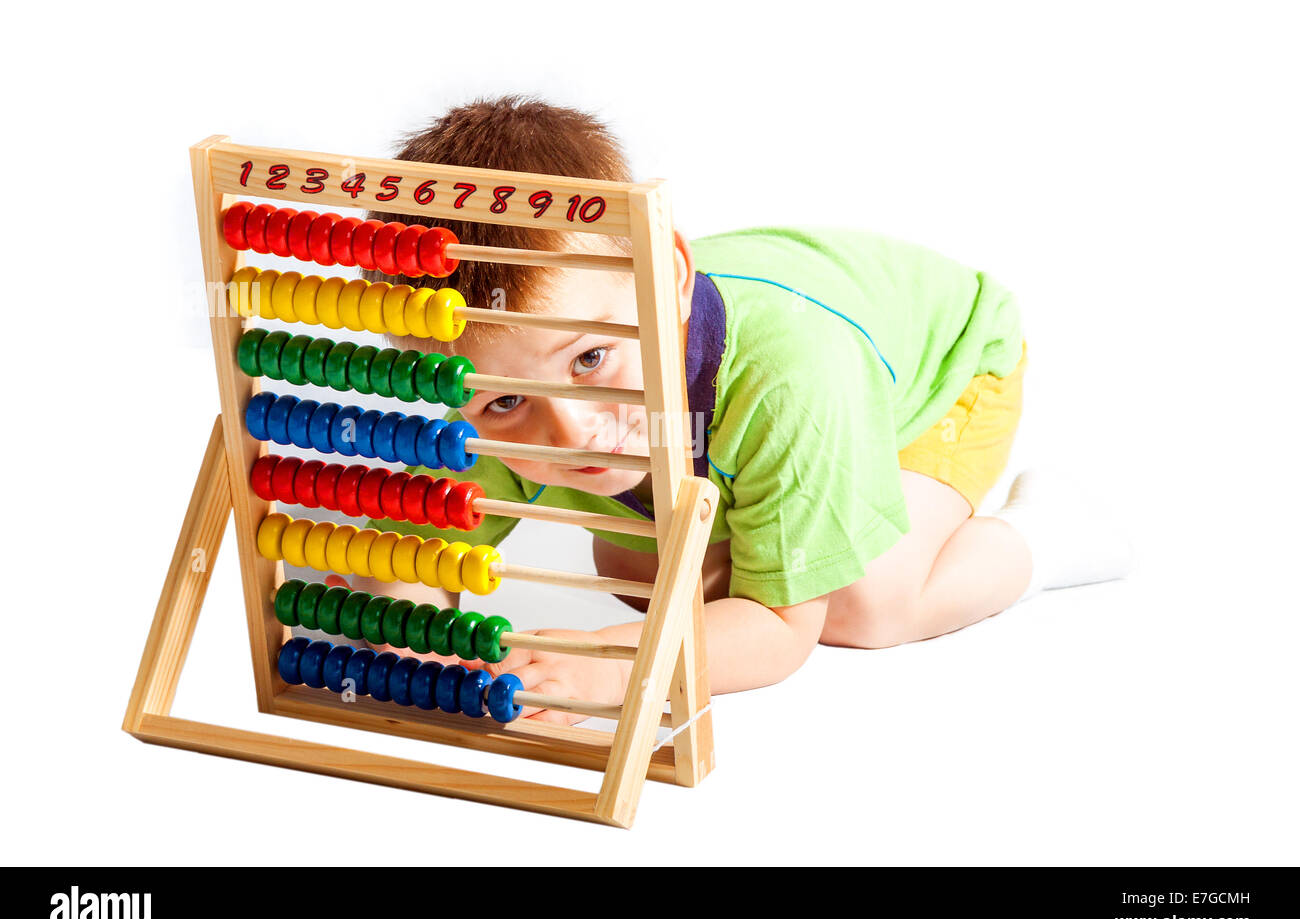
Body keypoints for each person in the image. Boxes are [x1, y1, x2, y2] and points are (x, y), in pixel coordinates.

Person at [326, 95, 1131, 723]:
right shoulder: (502, 371)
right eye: (504, 403)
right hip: (765, 397)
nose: (571, 431)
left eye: (592, 358)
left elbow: (785, 634)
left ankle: (1050, 533)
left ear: (666, 275)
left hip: (945, 367)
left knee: (865, 606)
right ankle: (768, 517)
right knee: (641, 569)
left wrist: (617, 661)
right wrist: (419, 649)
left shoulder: (792, 379)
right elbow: (409, 550)